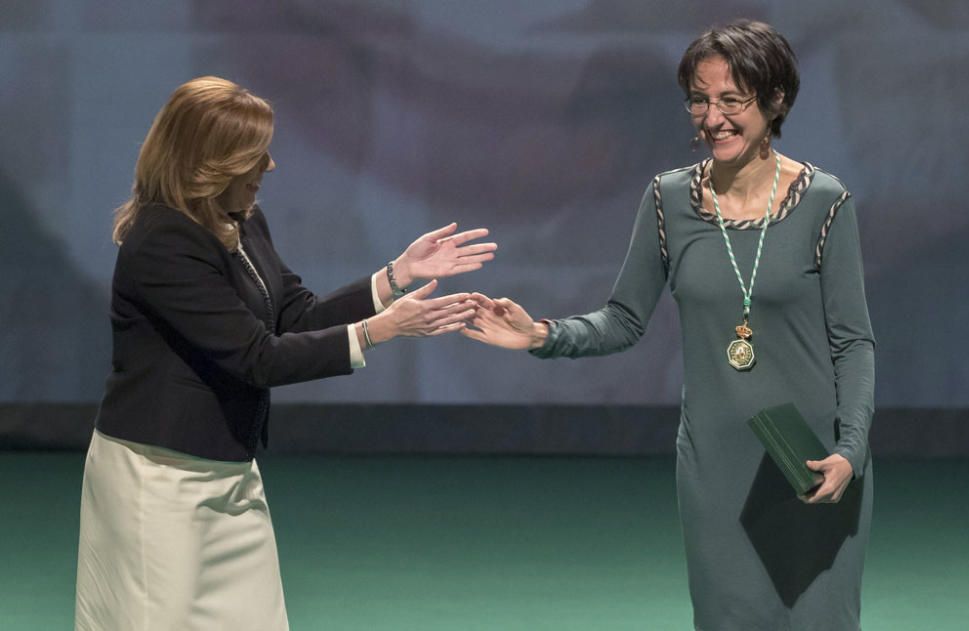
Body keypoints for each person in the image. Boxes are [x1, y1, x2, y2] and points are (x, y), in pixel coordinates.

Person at [463, 20, 874, 631]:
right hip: (714, 467)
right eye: (700, 100)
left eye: (732, 100)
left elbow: (853, 342)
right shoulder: (668, 200)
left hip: (813, 464)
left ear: (776, 99)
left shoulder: (825, 202)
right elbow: (625, 319)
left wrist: (850, 449)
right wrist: (543, 336)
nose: (712, 118)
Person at [74, 76, 496, 631]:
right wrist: (379, 332)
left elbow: (294, 315)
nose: (268, 166)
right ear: (208, 163)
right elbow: (258, 357)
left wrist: (394, 278)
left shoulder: (242, 223)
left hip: (230, 478)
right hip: (160, 485)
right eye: (254, 155)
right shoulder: (161, 242)